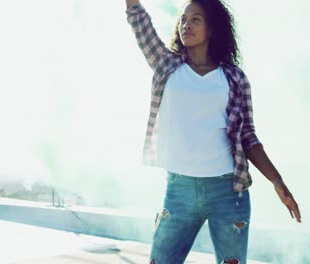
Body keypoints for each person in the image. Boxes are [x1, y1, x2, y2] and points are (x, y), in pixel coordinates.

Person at [125, 0, 301, 263]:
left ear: (212, 29)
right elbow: (140, 22)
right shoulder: (167, 66)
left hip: (229, 192)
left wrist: (277, 181)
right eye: (183, 19)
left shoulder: (234, 78)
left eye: (196, 19)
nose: (186, 24)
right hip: (179, 191)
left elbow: (248, 136)